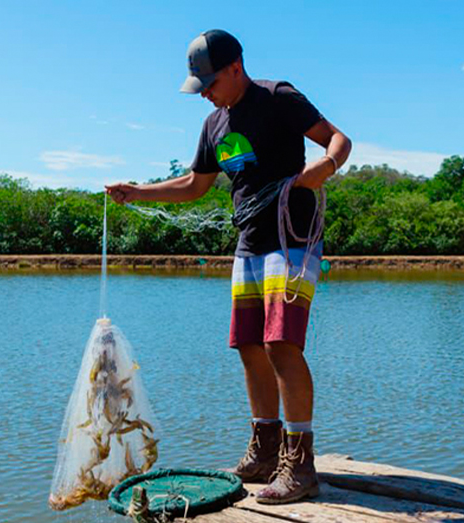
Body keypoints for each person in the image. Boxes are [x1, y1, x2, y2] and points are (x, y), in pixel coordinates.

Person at [106, 29, 351, 505]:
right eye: (199, 87)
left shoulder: (277, 97)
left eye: (210, 84)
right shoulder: (214, 125)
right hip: (250, 245)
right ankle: (264, 449)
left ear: (235, 67)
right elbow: (195, 185)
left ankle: (300, 465)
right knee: (249, 347)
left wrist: (327, 166)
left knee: (282, 344)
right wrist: (137, 191)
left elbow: (337, 138)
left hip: (291, 239)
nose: (206, 95)